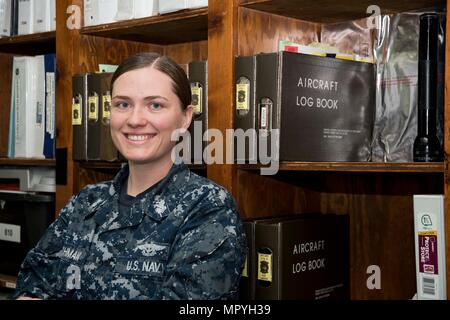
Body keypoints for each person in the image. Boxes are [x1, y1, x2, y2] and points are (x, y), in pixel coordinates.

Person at [13, 52, 247, 300]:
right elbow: (31, 288)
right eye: (123, 104)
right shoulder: (85, 203)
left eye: (155, 105)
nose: (135, 120)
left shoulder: (209, 208)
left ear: (185, 117)